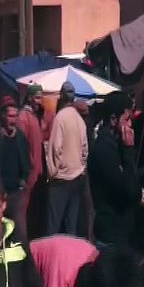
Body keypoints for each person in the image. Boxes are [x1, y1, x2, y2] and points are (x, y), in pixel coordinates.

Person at [88, 92, 141, 248]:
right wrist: (129, 151)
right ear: (113, 119)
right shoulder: (104, 150)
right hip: (111, 235)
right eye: (127, 119)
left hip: (123, 232)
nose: (130, 125)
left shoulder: (116, 146)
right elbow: (130, 191)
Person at [46, 82, 88, 237]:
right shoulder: (79, 120)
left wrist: (52, 173)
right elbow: (85, 150)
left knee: (53, 225)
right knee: (71, 226)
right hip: (77, 178)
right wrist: (81, 168)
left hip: (61, 179)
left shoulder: (60, 118)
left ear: (62, 96)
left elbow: (55, 149)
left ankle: (51, 259)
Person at [0, 99, 30, 239]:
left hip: (16, 193)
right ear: (4, 117)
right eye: (10, 116)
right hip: (0, 191)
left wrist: (23, 181)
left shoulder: (20, 137)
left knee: (20, 232)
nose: (13, 120)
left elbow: (25, 160)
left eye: (15, 116)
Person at [17, 85, 45, 238]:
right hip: (29, 173)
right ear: (30, 97)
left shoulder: (34, 116)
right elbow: (22, 146)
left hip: (36, 172)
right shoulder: (23, 117)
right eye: (37, 97)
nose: (39, 101)